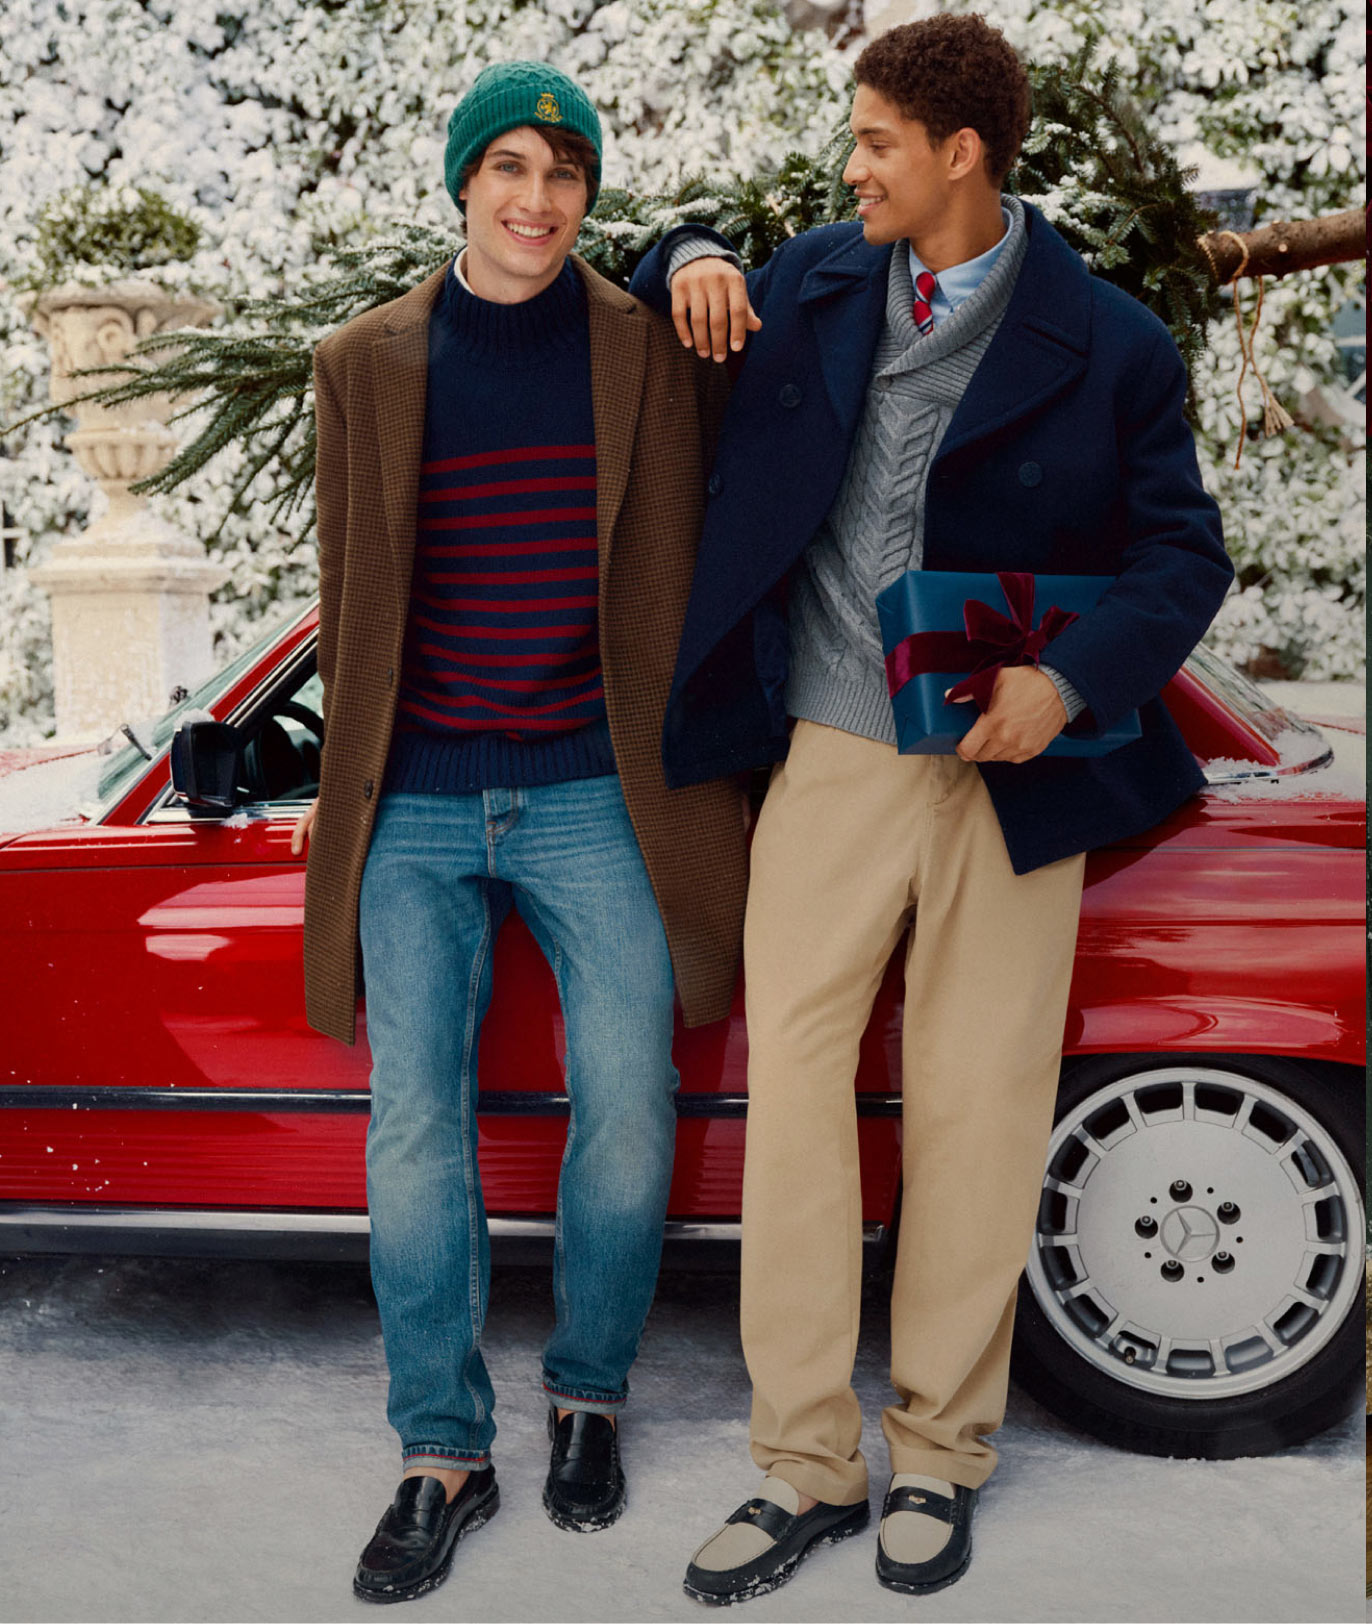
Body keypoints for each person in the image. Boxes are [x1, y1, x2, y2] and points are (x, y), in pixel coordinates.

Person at [622, 14, 1233, 1602]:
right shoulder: (819, 278)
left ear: (961, 155)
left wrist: (1073, 682)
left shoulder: (1110, 343)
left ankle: (944, 1456)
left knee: (976, 1112)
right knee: (795, 1108)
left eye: (877, 141)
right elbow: (643, 266)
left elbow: (1183, 558)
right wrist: (688, 245)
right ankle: (806, 1465)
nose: (853, 167)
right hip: (826, 754)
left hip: (1011, 771)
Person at [297, 61, 747, 1603]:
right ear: (462, 184)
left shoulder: (651, 351)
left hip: (593, 787)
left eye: (565, 175)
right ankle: (440, 1447)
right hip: (415, 792)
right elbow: (354, 595)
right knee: (412, 1127)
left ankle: (587, 1398)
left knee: (628, 1093)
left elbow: (769, 301)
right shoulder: (364, 363)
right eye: (510, 170)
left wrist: (694, 248)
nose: (538, 202)